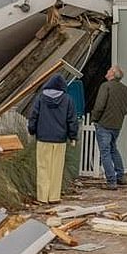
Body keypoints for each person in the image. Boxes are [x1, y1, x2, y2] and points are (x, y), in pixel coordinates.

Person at [28, 73, 78, 204]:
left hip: (43, 138)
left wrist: (32, 130)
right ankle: (54, 197)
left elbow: (33, 115)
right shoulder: (67, 100)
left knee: (43, 167)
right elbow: (72, 120)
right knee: (57, 169)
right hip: (60, 140)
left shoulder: (40, 98)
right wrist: (73, 136)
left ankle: (42, 197)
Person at [91, 65, 127, 190]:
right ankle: (121, 176)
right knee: (113, 149)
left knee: (105, 152)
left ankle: (111, 181)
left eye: (109, 70)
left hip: (104, 124)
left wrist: (95, 118)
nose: (107, 71)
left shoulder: (105, 86)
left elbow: (99, 105)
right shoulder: (125, 89)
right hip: (117, 125)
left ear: (112, 74)